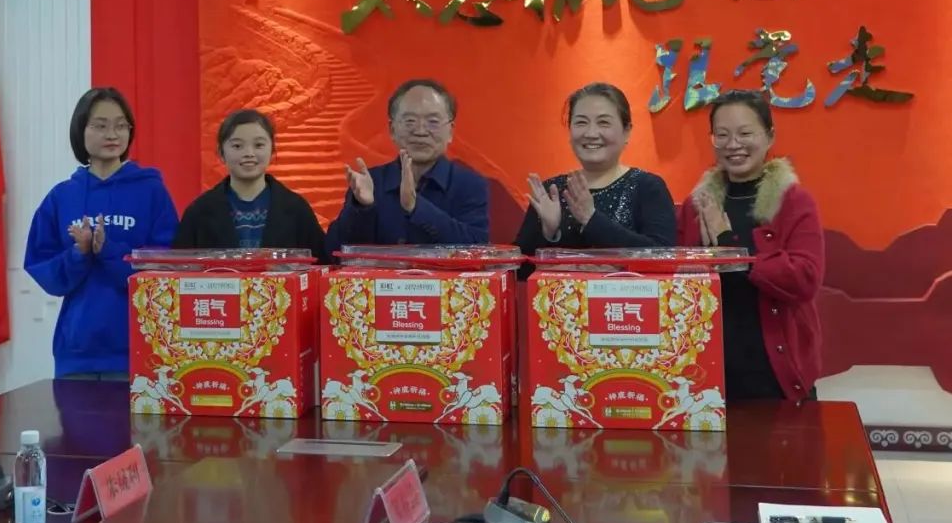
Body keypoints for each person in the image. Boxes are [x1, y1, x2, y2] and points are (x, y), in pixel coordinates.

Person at [677, 90, 824, 401]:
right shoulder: (696, 205)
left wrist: (728, 243)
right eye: (722, 135)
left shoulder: (794, 201)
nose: (733, 144)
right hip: (707, 370)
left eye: (745, 133)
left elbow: (805, 278)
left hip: (774, 372)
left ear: (769, 136)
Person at [24, 88, 179, 380]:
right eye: (100, 125)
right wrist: (79, 253)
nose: (112, 134)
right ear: (80, 130)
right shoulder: (61, 197)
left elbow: (166, 267)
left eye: (121, 125)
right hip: (77, 352)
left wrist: (109, 251)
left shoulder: (152, 192)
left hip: (141, 347)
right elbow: (44, 269)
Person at [515, 83, 676, 266]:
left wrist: (592, 219)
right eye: (581, 122)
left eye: (603, 122)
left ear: (626, 132)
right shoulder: (552, 192)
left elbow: (664, 259)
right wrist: (549, 233)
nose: (591, 133)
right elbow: (519, 270)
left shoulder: (648, 188)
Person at [325, 79, 489, 251]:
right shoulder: (370, 182)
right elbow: (332, 252)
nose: (420, 131)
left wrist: (416, 207)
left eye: (433, 122)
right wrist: (361, 208)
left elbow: (477, 249)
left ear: (450, 131)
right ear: (392, 129)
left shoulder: (470, 185)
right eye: (410, 121)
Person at [173, 109, 326, 261]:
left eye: (258, 145)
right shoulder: (199, 212)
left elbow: (321, 263)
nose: (249, 153)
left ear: (272, 150)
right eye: (237, 146)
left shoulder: (296, 209)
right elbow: (180, 267)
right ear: (221, 152)